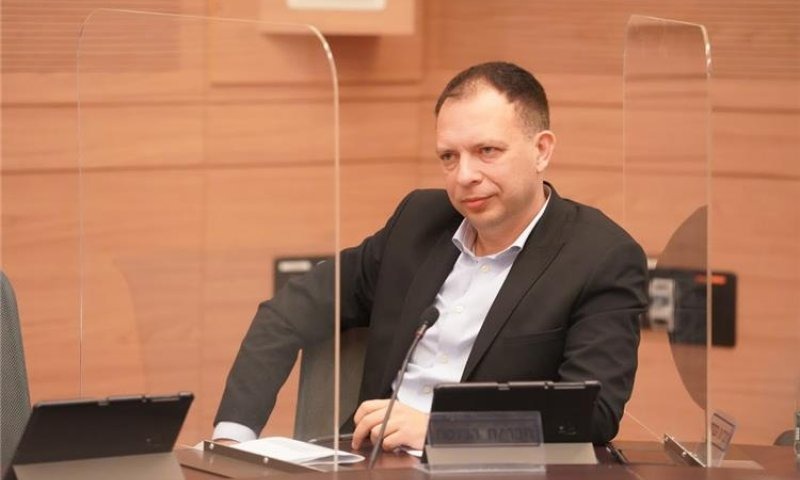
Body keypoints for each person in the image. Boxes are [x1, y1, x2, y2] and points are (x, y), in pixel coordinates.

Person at [213, 61, 648, 451]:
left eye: (487, 151)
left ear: (542, 150)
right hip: (368, 459)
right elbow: (288, 311)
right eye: (448, 157)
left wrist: (443, 429)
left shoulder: (601, 257)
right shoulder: (418, 222)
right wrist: (233, 437)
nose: (464, 176)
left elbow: (592, 415)